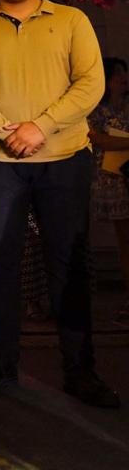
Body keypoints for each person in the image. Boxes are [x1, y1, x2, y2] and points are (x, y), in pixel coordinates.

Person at [0, 0, 118, 408]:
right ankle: (0, 366)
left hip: (64, 157)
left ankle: (80, 370)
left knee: (68, 263)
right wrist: (10, 131)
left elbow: (91, 83)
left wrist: (40, 127)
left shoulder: (71, 20)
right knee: (0, 264)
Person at [88, 57, 129, 322]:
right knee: (125, 241)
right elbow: (96, 139)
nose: (123, 80)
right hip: (113, 181)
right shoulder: (97, 111)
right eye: (118, 76)